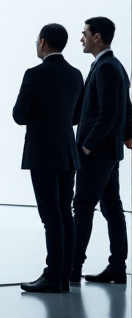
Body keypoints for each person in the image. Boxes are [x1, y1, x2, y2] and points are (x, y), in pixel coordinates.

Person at [12, 24, 84, 293]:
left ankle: (53, 275)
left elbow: (19, 116)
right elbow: (77, 116)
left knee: (50, 215)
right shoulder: (76, 75)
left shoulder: (35, 74)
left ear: (42, 42)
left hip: (42, 152)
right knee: (65, 213)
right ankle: (64, 274)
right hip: (67, 151)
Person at [72, 17, 132, 285]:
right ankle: (117, 267)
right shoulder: (113, 65)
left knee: (83, 207)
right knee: (111, 207)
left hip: (97, 154)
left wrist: (87, 145)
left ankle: (72, 268)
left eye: (84, 33)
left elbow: (108, 113)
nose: (81, 38)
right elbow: (126, 107)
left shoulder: (107, 68)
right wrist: (128, 136)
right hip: (109, 152)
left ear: (97, 36)